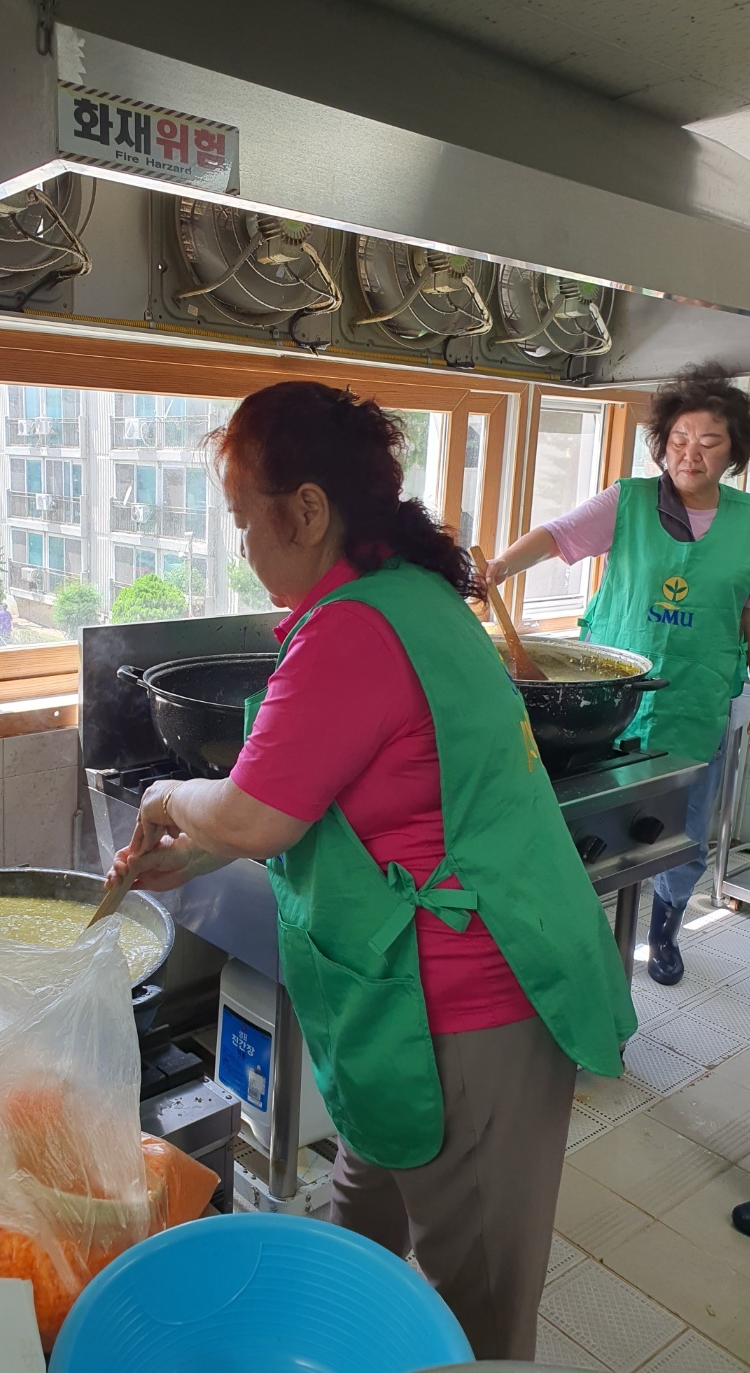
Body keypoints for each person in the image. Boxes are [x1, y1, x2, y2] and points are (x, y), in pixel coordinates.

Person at [109, 380, 635, 1361]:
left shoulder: (354, 629)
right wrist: (194, 855)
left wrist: (169, 798)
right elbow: (326, 787)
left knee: (478, 1313)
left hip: (473, 1007)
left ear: (306, 510)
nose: (241, 543)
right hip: (404, 1004)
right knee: (357, 1219)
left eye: (243, 518)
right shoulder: (408, 595)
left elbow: (257, 812)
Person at [488, 364, 750, 986]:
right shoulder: (627, 502)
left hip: (696, 698)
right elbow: (556, 537)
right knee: (588, 826)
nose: (690, 454)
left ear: (733, 452)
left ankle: (665, 928)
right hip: (609, 698)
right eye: (679, 440)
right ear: (662, 443)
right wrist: (498, 569)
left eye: (708, 442)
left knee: (683, 827)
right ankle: (573, 932)